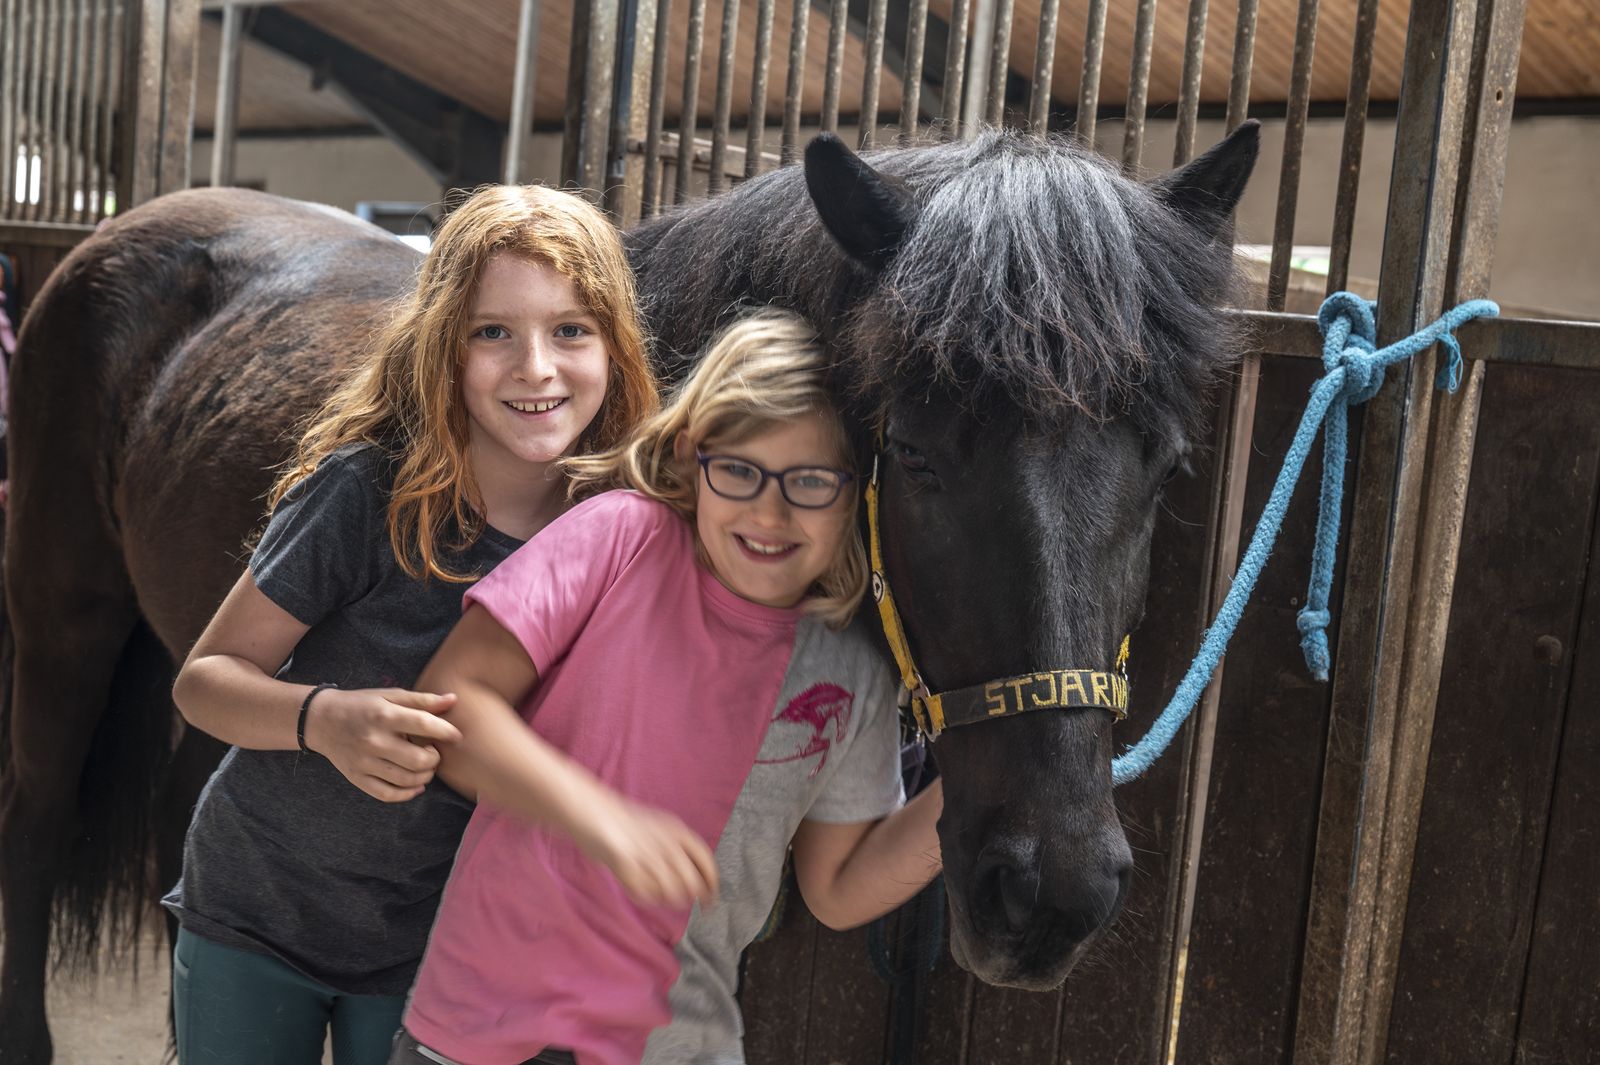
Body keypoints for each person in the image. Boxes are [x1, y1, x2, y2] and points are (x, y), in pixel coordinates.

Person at [163, 183, 659, 1065]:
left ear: (617, 349)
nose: (535, 367)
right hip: (259, 902)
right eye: (492, 331)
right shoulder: (366, 495)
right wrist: (324, 720)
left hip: (434, 938)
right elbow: (206, 680)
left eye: (571, 330)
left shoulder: (620, 532)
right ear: (443, 347)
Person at [389, 310, 945, 1065]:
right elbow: (455, 701)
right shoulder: (618, 537)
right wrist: (603, 820)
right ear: (691, 456)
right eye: (740, 470)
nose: (770, 511)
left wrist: (984, 783)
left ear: (855, 493)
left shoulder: (853, 673)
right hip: (478, 1032)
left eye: (810, 481)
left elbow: (838, 886)